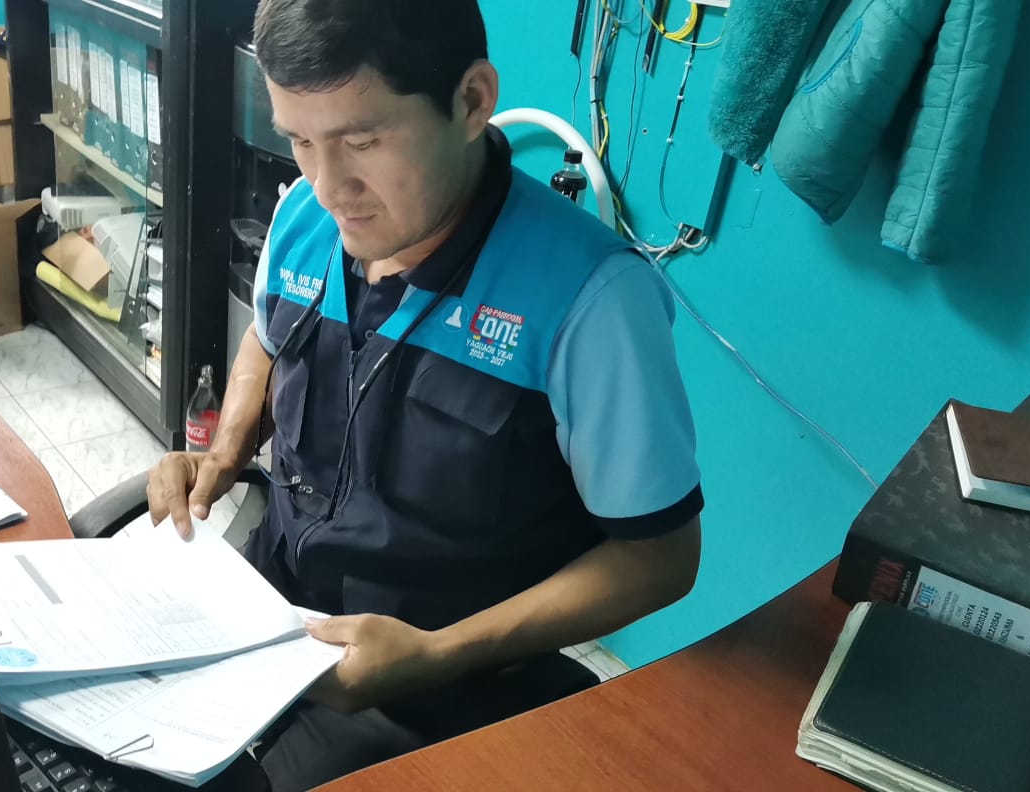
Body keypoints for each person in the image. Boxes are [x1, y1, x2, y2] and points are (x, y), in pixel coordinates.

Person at [148, 0, 704, 787]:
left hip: (438, 686)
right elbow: (264, 344)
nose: (329, 186)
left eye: (362, 142)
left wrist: (441, 654)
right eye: (300, 141)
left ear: (472, 101)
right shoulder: (305, 216)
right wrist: (223, 453)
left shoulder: (591, 299)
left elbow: (663, 557)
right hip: (269, 617)